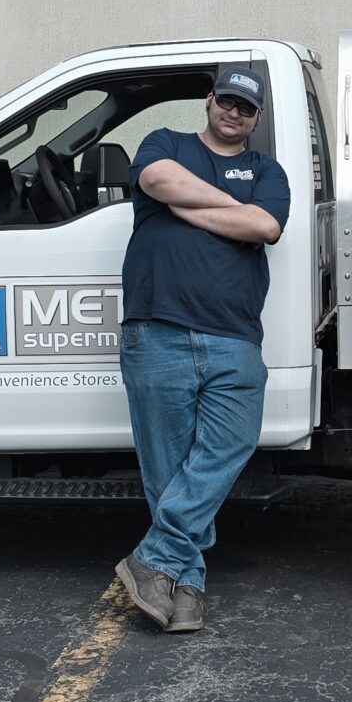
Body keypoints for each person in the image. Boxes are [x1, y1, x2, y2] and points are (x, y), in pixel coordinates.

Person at [113, 63, 291, 635]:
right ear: (209, 100)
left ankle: (153, 560)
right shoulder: (165, 142)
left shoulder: (268, 170)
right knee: (168, 471)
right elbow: (159, 181)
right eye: (227, 101)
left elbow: (264, 227)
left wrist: (193, 205)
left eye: (246, 108)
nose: (234, 112)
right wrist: (231, 208)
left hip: (234, 335)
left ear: (257, 119)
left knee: (228, 448)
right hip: (157, 329)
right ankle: (186, 585)